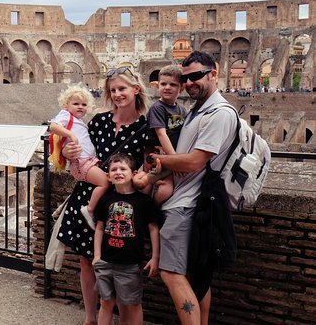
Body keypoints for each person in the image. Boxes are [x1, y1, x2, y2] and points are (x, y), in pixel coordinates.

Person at [147, 51, 236, 324]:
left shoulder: (219, 113)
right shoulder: (198, 109)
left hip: (187, 204)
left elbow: (196, 161)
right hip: (190, 203)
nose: (189, 83)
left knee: (172, 273)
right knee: (197, 275)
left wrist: (158, 160)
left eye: (196, 76)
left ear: (214, 72)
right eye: (185, 78)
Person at [58, 66, 150, 325]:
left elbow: (147, 166)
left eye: (122, 88)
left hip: (123, 204)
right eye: (113, 90)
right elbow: (80, 154)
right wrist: (68, 154)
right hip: (89, 198)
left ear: (136, 89)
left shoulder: (145, 127)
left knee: (121, 267)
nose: (118, 94)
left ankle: (121, 319)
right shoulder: (98, 122)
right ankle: (91, 318)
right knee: (87, 262)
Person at [92, 153, 160, 325]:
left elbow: (153, 229)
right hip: (105, 262)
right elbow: (99, 228)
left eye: (123, 168)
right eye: (114, 169)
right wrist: (97, 256)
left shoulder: (144, 202)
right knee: (106, 302)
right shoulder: (106, 199)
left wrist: (155, 257)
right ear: (108, 176)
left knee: (133, 304)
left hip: (130, 265)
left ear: (134, 173)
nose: (118, 172)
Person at [49, 84, 109, 226]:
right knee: (105, 182)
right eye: (76, 103)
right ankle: (89, 210)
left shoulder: (78, 121)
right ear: (66, 105)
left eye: (84, 104)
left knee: (105, 181)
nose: (80, 107)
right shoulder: (65, 115)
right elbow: (51, 126)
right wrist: (70, 134)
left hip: (88, 160)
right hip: (81, 162)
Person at [133, 65, 187, 205]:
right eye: (163, 84)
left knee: (165, 191)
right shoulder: (158, 108)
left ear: (181, 88)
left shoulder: (182, 110)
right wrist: (176, 162)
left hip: (169, 155)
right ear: (157, 86)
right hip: (156, 155)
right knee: (149, 188)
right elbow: (161, 134)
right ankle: (148, 212)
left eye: (173, 84)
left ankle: (153, 211)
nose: (167, 87)